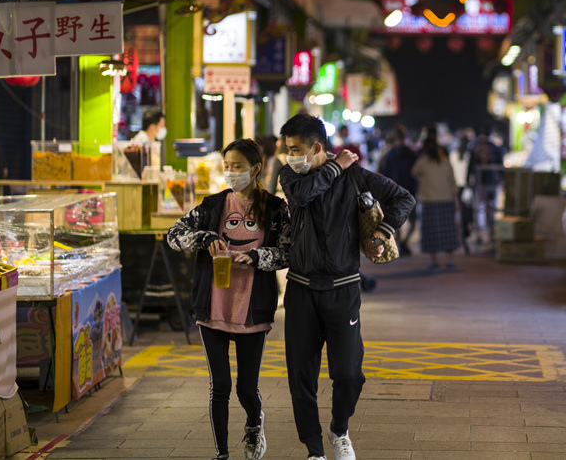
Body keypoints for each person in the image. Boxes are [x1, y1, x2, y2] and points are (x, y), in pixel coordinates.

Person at [249, 114, 415, 460]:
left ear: (317, 147)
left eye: (296, 149)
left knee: (349, 373)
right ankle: (314, 450)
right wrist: (336, 166)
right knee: (301, 377)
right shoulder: (290, 175)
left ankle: (339, 428)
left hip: (343, 288)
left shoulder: (354, 175)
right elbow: (305, 194)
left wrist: (383, 232)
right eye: (287, 149)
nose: (289, 155)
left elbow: (404, 199)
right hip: (302, 288)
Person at [166, 138, 293, 460]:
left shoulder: (276, 209)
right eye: (227, 167)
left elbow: (289, 253)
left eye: (237, 167)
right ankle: (222, 454)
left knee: (246, 389)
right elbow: (174, 235)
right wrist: (204, 237)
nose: (231, 173)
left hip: (253, 308)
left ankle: (253, 425)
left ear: (256, 169)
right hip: (213, 306)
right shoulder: (212, 206)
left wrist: (257, 256)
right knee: (220, 385)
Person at [411, 131, 460, 270]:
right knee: (447, 231)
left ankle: (434, 261)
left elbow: (414, 172)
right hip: (446, 199)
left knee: (431, 232)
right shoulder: (445, 163)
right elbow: (452, 182)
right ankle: (450, 260)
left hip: (429, 201)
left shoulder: (423, 162)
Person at [377, 128, 419, 255]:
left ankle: (401, 243)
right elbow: (415, 175)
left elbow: (384, 174)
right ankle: (404, 243)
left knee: (395, 220)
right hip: (409, 191)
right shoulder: (411, 154)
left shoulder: (389, 155)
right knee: (413, 220)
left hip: (394, 191)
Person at [449, 131, 473, 242]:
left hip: (461, 187)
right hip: (461, 187)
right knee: (462, 212)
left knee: (462, 212)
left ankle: (461, 233)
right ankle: (461, 234)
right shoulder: (460, 155)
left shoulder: (457, 155)